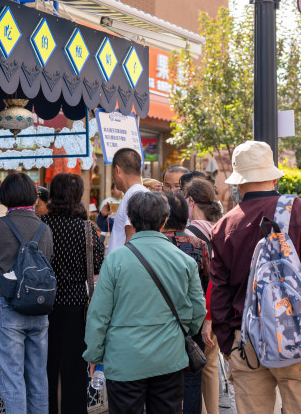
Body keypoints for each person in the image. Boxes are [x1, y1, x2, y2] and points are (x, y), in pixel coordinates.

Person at [209, 141, 301, 413]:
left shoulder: (223, 226)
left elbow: (219, 293)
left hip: (245, 341)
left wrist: (228, 348)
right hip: (297, 336)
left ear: (239, 183)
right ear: (272, 175)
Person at [84, 191, 206, 413]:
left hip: (124, 359)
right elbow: (198, 310)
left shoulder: (115, 260)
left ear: (130, 220)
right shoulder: (184, 261)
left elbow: (98, 314)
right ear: (164, 220)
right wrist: (179, 331)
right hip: (169, 356)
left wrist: (94, 354)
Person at [0, 172, 54, 414]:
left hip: (8, 307)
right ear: (33, 196)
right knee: (38, 377)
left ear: (5, 197)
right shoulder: (44, 228)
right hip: (40, 308)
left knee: (12, 377)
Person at [39, 174, 104, 414]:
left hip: (43, 303)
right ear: (77, 196)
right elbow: (98, 266)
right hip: (77, 307)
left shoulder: (42, 225)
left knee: (46, 366)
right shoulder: (87, 229)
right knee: (75, 369)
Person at [161, 192, 210, 414]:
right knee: (192, 381)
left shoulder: (155, 246)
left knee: (161, 383)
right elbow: (207, 282)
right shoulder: (199, 245)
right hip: (191, 323)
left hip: (159, 323)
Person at [183, 177, 223, 414]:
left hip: (199, 309)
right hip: (218, 306)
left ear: (190, 201)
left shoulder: (190, 233)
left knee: (195, 364)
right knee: (210, 367)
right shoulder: (220, 225)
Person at [107, 148, 149, 253]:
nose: (113, 178)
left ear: (117, 170)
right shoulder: (139, 193)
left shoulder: (135, 195)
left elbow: (132, 240)